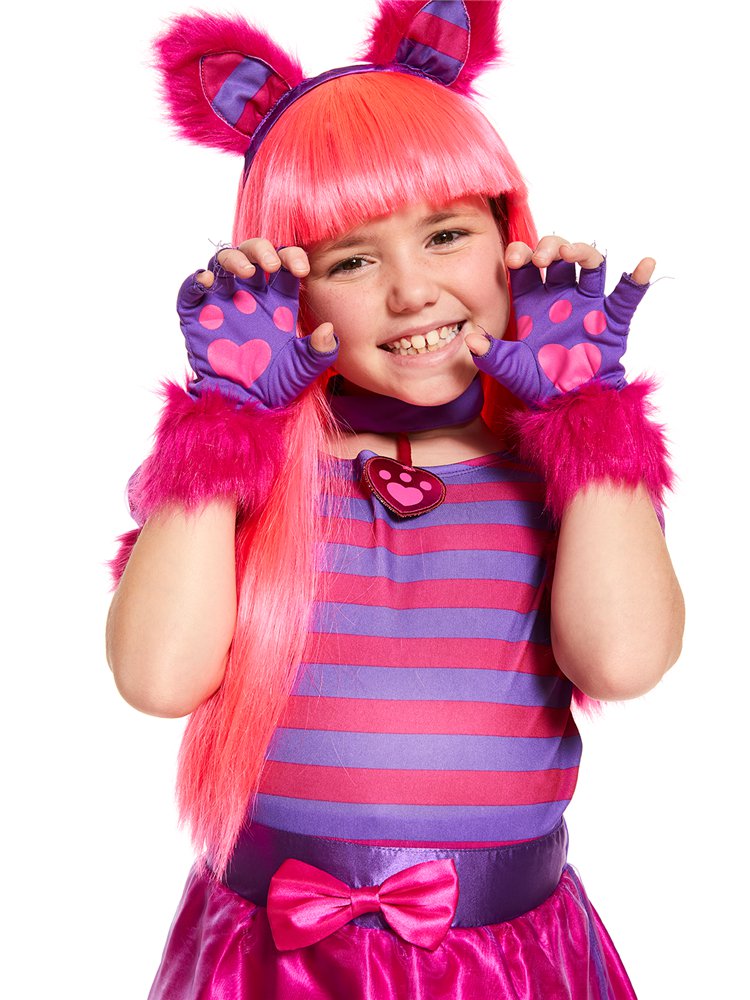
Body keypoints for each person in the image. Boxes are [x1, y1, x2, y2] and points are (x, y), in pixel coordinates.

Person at [106, 2, 685, 996]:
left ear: (508, 235)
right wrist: (225, 423)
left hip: (503, 961)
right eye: (353, 260)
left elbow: (624, 661)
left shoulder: (559, 474)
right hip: (272, 958)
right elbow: (158, 679)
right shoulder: (256, 479)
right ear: (291, 289)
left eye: (447, 234)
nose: (412, 292)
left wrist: (589, 417)